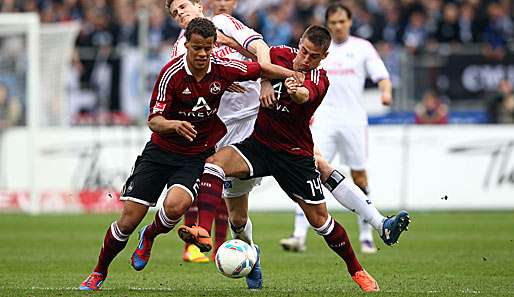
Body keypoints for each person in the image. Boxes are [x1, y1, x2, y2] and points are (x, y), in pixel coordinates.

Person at [79, 17, 295, 291]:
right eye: (197, 48)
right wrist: (174, 124)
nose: (203, 54)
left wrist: (293, 75)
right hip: (160, 152)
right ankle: (98, 272)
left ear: (213, 46)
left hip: (195, 156)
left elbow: (260, 67)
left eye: (208, 48)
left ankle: (151, 234)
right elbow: (153, 120)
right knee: (129, 220)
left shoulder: (223, 69)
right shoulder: (171, 74)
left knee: (175, 207)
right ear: (187, 46)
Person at [178, 25, 381, 292]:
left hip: (294, 156)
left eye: (314, 56)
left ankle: (357, 270)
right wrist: (263, 81)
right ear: (300, 43)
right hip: (259, 145)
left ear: (324, 56)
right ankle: (231, 246)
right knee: (218, 174)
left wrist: (293, 87)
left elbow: (303, 95)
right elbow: (259, 61)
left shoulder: (320, 79)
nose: (306, 59)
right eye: (304, 51)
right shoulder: (282, 54)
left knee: (320, 220)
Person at [281, 3, 407, 254]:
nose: (338, 26)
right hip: (323, 119)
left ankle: (366, 236)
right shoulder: (316, 50)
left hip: (353, 121)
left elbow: (382, 75)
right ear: (328, 24)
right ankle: (298, 236)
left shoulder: (362, 48)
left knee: (359, 176)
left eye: (342, 21)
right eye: (334, 22)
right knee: (309, 169)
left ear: (350, 22)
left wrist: (385, 93)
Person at [166, 0, 284, 264]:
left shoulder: (223, 23)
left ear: (198, 5)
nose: (180, 14)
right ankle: (250, 256)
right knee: (238, 217)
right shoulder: (178, 50)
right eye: (175, 13)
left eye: (184, 6)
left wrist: (265, 80)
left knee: (315, 162)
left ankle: (375, 224)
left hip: (260, 115)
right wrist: (217, 81)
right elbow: (185, 90)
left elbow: (260, 47)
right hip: (226, 132)